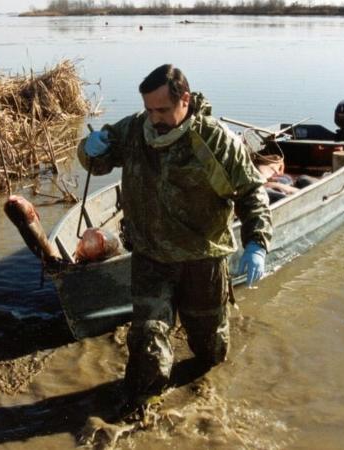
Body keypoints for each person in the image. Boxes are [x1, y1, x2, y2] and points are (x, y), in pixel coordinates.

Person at [77, 64, 272, 409]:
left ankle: (207, 390)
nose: (155, 119)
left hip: (203, 261)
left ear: (185, 100)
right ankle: (142, 413)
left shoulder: (216, 140)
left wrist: (257, 242)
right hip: (151, 258)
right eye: (149, 109)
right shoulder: (136, 130)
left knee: (210, 351)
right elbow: (98, 164)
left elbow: (251, 193)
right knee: (147, 348)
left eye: (163, 110)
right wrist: (89, 149)